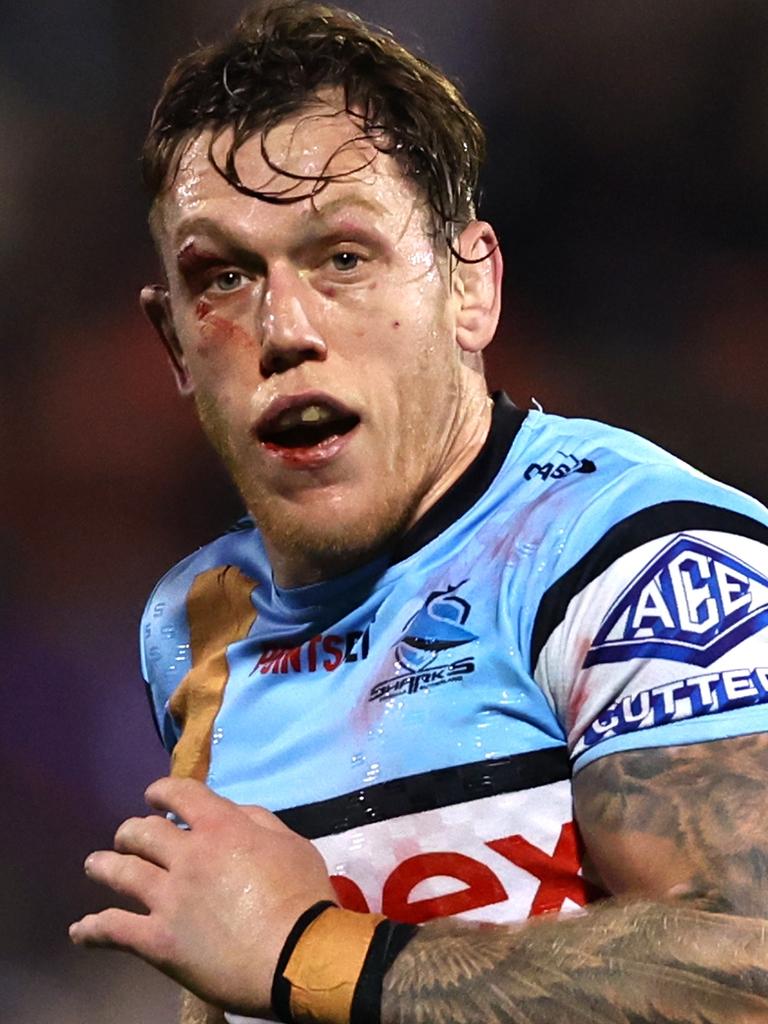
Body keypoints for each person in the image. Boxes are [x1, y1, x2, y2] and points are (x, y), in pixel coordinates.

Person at [69, 3, 768, 1023]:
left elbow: (750, 963)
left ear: (470, 287)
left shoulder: (638, 559)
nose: (284, 329)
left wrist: (313, 952)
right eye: (222, 275)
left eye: (343, 258)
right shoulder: (195, 622)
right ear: (172, 343)